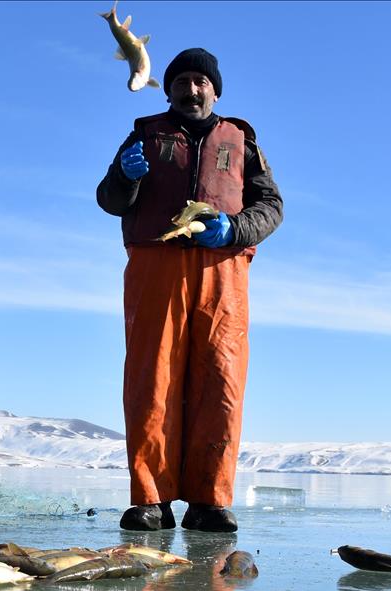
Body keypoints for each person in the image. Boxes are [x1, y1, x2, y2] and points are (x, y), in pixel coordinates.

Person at [96, 48, 283, 532]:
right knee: (151, 380)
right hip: (156, 268)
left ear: (215, 90)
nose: (191, 89)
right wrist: (124, 175)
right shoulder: (143, 135)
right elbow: (109, 199)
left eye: (201, 81)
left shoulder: (242, 141)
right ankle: (150, 500)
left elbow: (272, 206)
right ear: (170, 88)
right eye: (182, 81)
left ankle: (209, 500)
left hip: (223, 271)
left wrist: (236, 228)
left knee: (221, 380)